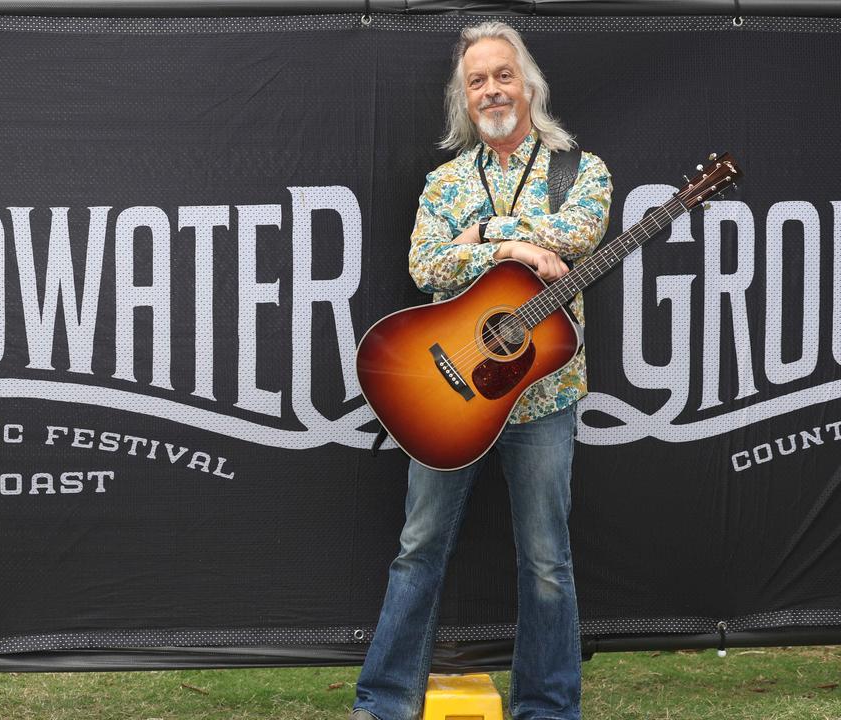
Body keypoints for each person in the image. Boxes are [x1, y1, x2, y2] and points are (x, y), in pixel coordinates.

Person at [351, 21, 613, 720]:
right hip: (450, 391)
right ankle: (382, 704)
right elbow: (425, 265)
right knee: (417, 549)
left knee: (548, 564)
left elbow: (581, 234)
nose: (491, 89)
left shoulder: (577, 171)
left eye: (502, 75)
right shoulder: (444, 182)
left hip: (543, 395)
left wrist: (489, 235)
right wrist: (520, 251)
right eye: (477, 80)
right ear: (463, 99)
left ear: (527, 84)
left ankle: (548, 709)